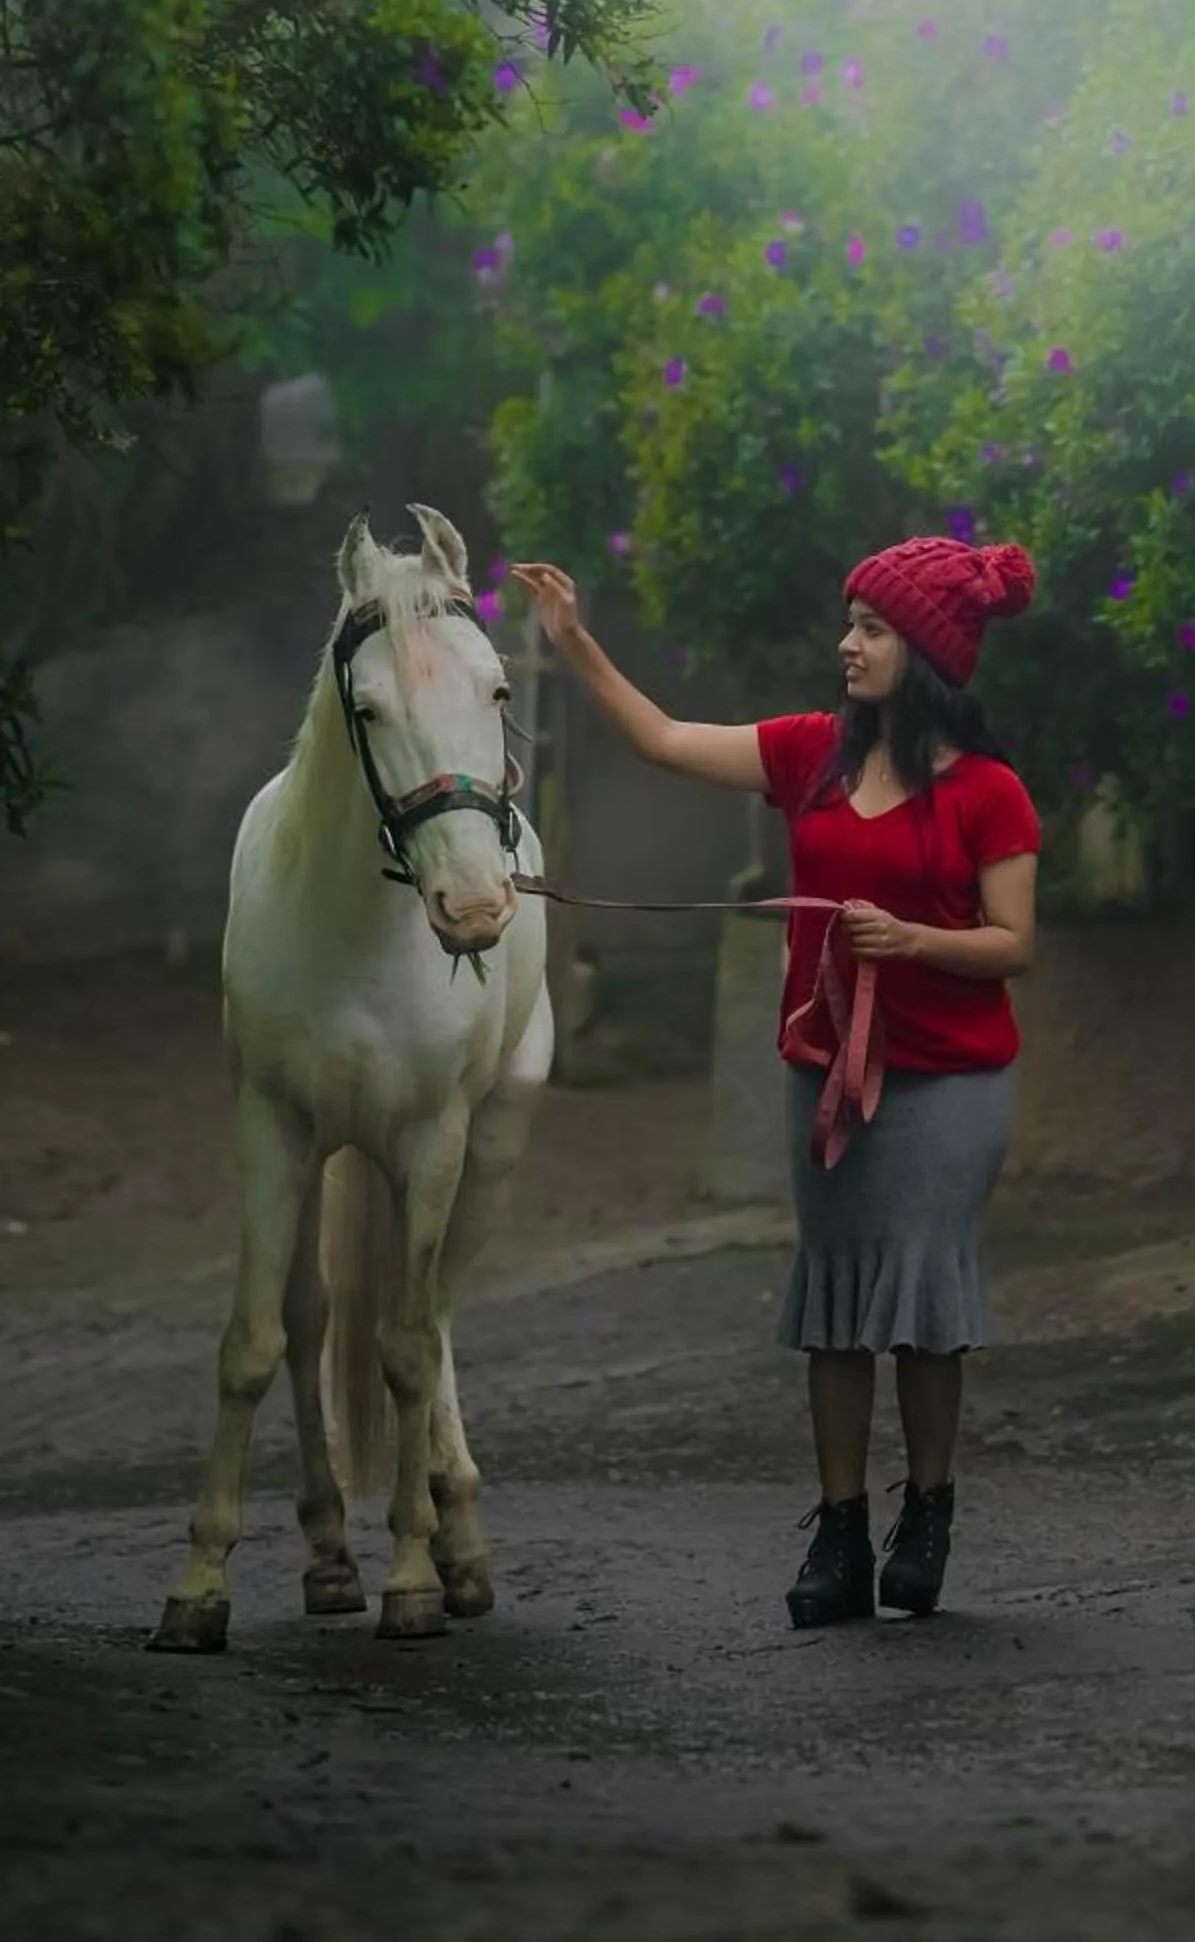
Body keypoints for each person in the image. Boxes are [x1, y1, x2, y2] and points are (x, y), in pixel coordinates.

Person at [509, 537, 1041, 1627]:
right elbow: (662, 739)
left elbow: (1014, 944)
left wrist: (912, 941)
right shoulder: (811, 757)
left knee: (926, 1300)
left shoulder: (991, 793)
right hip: (832, 1074)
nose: (847, 645)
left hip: (952, 1083)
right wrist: (572, 645)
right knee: (838, 1299)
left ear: (927, 653)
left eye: (874, 628)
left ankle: (928, 1513)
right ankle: (840, 1531)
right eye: (849, 622)